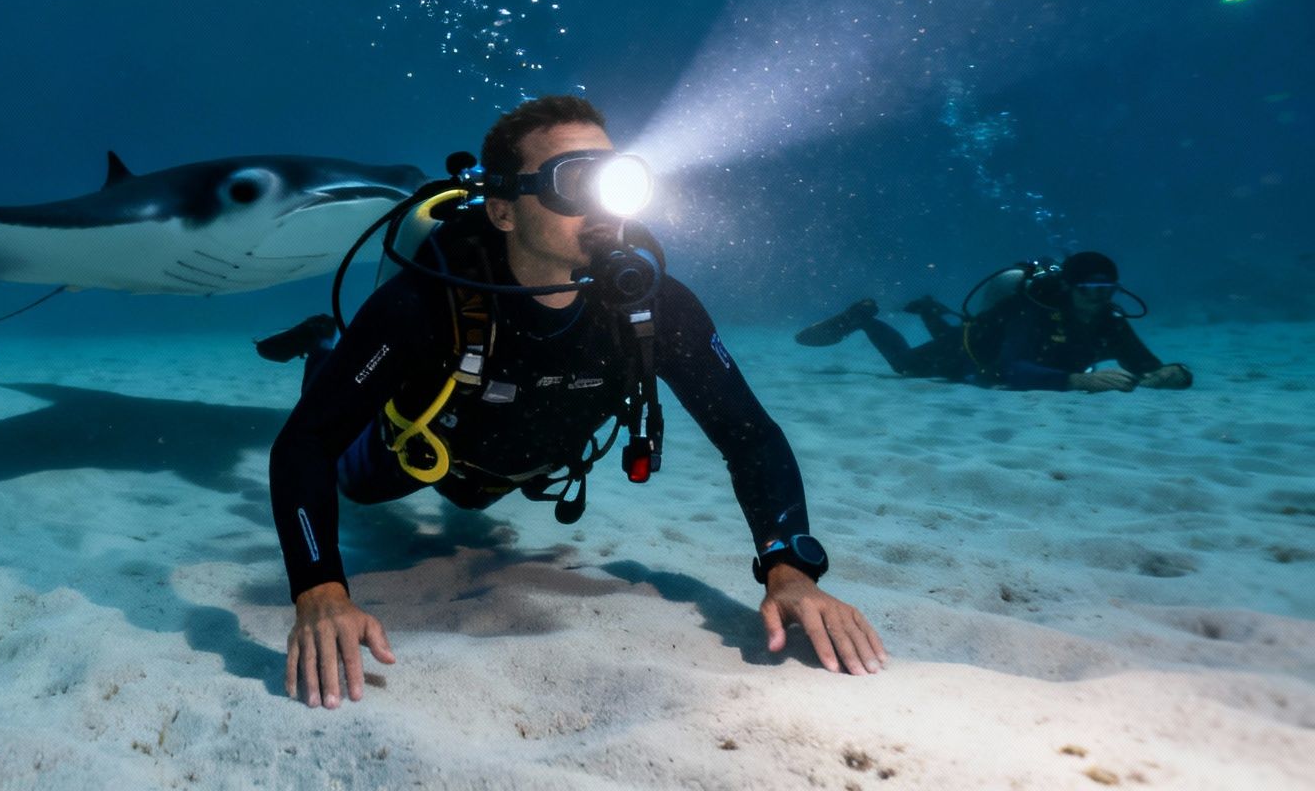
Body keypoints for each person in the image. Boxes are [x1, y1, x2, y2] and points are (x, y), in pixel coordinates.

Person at [265, 96, 885, 710]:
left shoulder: (655, 309)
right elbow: (306, 443)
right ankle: (324, 344)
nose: (600, 206)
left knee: (471, 500)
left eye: (613, 180)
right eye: (572, 180)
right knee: (358, 485)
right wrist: (319, 588)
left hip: (528, 468)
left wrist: (788, 567)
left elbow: (748, 434)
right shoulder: (425, 301)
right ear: (504, 210)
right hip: (421, 450)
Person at [793, 251, 1194, 393]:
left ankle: (931, 309)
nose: (1098, 299)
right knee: (907, 365)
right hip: (976, 350)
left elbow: (1146, 364)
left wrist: (1174, 374)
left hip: (989, 343)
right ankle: (863, 319)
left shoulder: (1111, 319)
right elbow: (1009, 368)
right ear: (1069, 287)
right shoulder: (1033, 309)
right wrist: (1078, 380)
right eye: (1089, 289)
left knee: (948, 337)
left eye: (1107, 290)